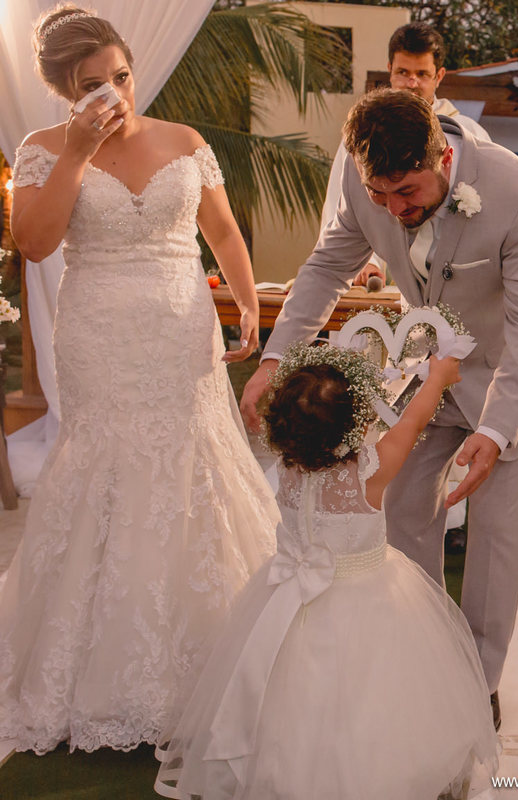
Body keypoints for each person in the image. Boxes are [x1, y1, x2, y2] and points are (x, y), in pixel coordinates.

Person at [240, 88, 518, 729]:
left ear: (442, 155)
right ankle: (425, 657)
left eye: (407, 194)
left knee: (496, 535)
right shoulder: (369, 191)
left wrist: (496, 432)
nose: (393, 210)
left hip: (510, 384)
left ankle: (479, 678)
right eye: (379, 194)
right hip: (426, 381)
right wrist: (276, 360)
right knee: (403, 512)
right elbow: (321, 271)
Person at [1, 6, 278, 753]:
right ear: (65, 90)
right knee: (107, 471)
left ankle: (209, 660)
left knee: (193, 469)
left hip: (182, 329)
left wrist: (247, 302)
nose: (115, 94)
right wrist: (76, 155)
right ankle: (97, 675)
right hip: (99, 334)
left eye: (122, 76)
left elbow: (221, 231)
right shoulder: (42, 149)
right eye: (94, 85)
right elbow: (34, 241)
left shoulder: (183, 142)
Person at [155, 345, 498, 799]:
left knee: (286, 699)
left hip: (285, 602)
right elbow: (413, 420)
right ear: (357, 424)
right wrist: (437, 378)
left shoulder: (289, 466)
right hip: (370, 600)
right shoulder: (369, 473)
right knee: (368, 700)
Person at [322, 20, 490, 289]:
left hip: (452, 279)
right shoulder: (363, 133)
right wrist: (365, 262)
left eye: (422, 74)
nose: (411, 83)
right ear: (389, 70)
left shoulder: (470, 137)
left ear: (439, 76)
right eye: (403, 72)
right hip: (378, 281)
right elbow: (340, 206)